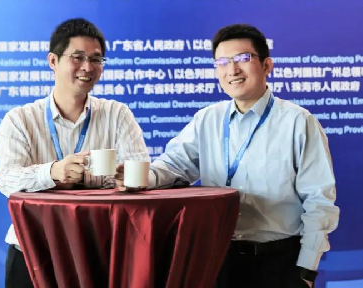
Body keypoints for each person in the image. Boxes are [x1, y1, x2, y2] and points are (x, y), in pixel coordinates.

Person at [117, 24, 339, 288]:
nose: (232, 70)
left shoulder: (298, 122)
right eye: (222, 62)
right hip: (217, 260)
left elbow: (318, 200)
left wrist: (306, 271)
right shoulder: (207, 120)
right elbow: (174, 166)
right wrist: (140, 177)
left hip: (279, 262)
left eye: (243, 58)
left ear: (267, 65)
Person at [0, 18, 149, 288]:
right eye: (77, 57)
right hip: (34, 250)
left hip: (101, 250)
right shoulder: (20, 119)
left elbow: (139, 172)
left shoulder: (117, 114)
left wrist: (129, 180)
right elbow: (6, 180)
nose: (88, 67)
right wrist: (52, 172)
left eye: (96, 59)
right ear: (53, 61)